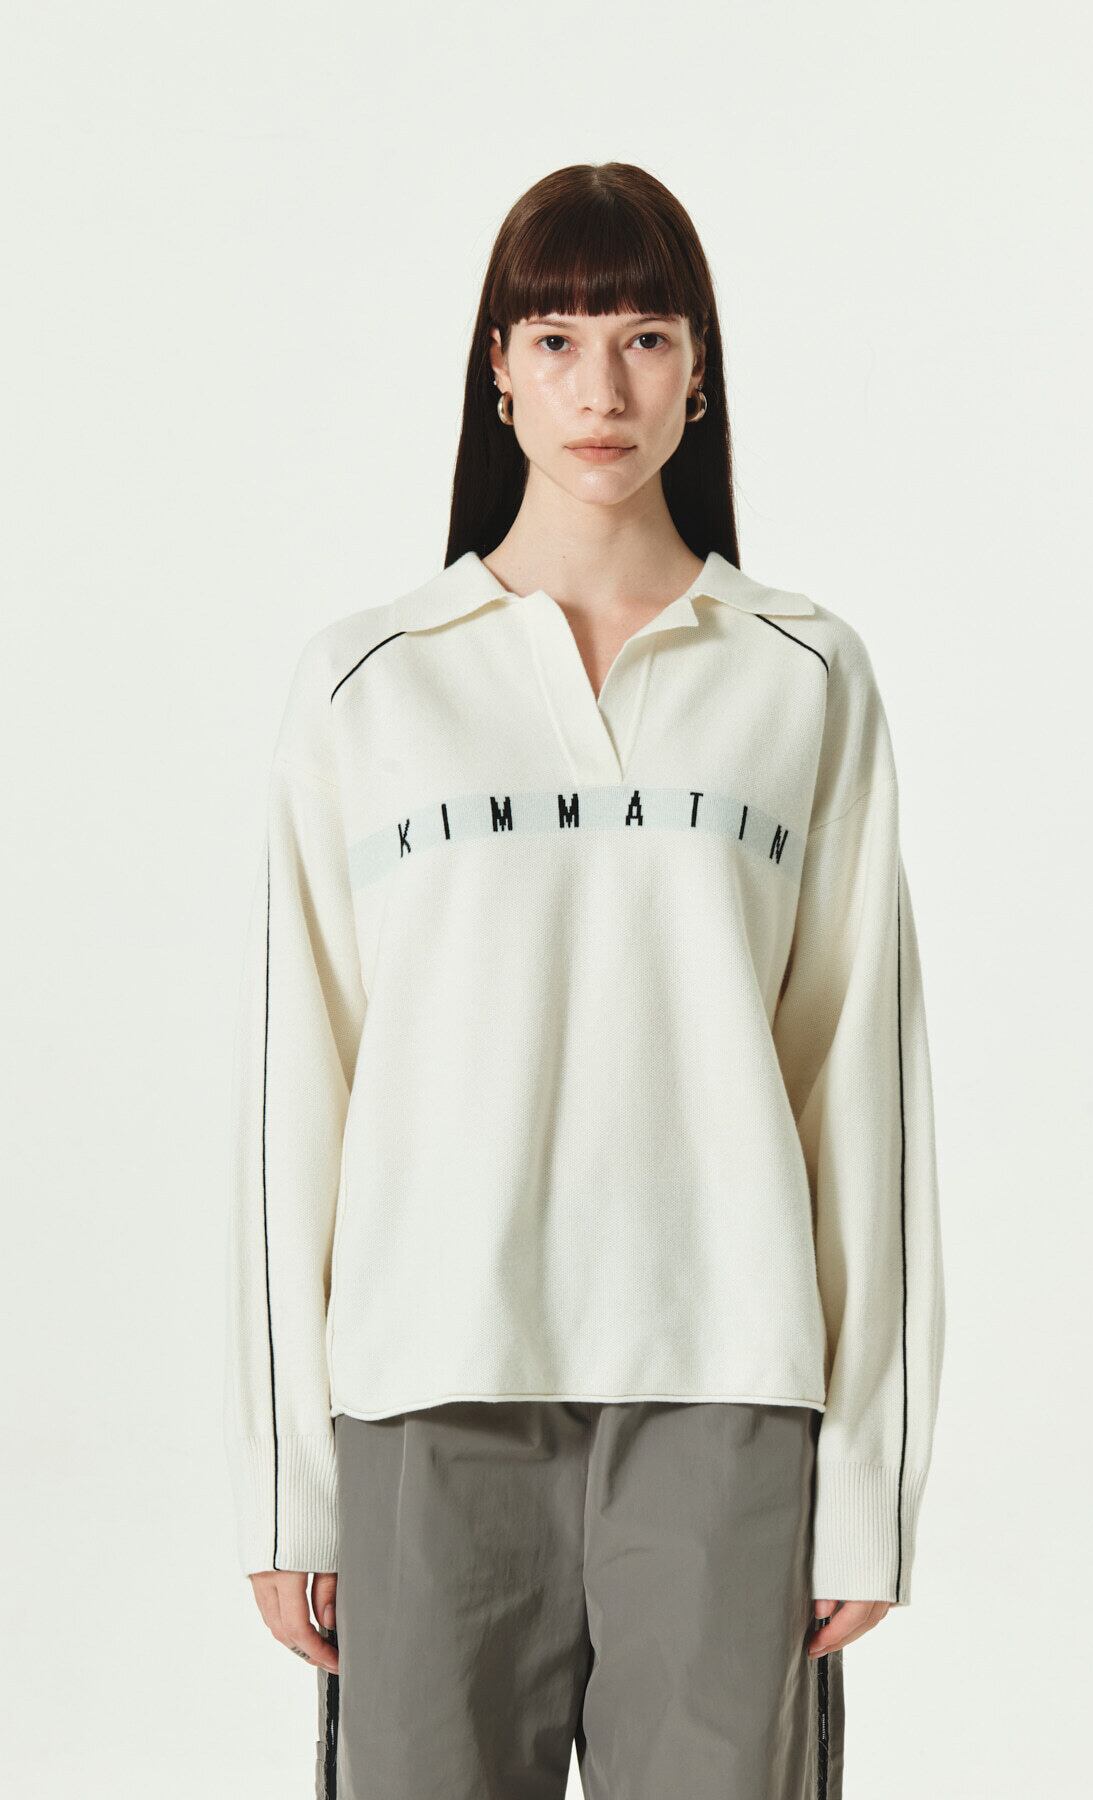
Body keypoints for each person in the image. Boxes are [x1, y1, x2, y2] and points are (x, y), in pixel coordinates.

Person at [222, 160, 946, 1800]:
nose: (600, 389)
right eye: (555, 339)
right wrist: (289, 1486)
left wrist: (868, 1487)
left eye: (643, 337)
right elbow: (296, 1095)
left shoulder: (803, 674)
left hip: (727, 1392)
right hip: (426, 1392)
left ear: (700, 370)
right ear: (498, 368)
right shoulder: (368, 685)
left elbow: (860, 1088)